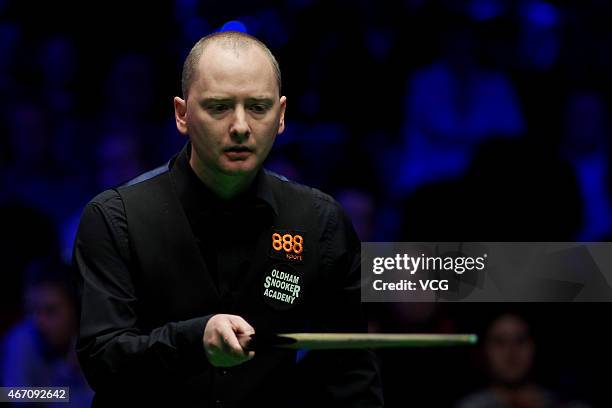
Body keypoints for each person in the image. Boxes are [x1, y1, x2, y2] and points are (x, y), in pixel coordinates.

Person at [73, 31, 383, 407]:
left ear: (281, 116)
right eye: (219, 107)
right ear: (182, 114)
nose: (240, 126)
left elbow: (350, 373)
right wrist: (194, 339)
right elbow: (103, 360)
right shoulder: (114, 218)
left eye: (258, 107)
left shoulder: (320, 222)